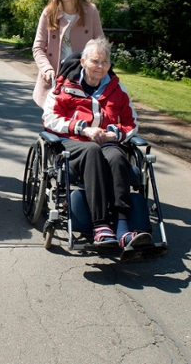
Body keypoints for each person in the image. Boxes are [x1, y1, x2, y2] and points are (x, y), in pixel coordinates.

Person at [42, 37, 151, 249]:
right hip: (71, 143)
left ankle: (122, 227)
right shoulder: (63, 86)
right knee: (92, 150)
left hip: (106, 141)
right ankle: (100, 226)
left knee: (118, 156)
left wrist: (113, 135)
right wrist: (83, 128)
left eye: (105, 62)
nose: (100, 67)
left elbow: (131, 123)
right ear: (83, 61)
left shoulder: (117, 89)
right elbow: (50, 119)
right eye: (95, 61)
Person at [32, 0, 104, 108]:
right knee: (55, 125)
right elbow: (38, 47)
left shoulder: (90, 11)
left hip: (83, 78)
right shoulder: (49, 13)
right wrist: (46, 69)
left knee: (81, 123)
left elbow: (101, 45)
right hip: (56, 78)